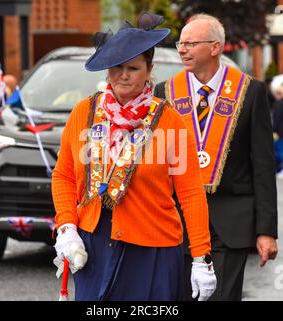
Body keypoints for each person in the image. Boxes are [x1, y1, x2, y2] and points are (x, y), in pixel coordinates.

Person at [51, 12, 217, 301]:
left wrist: (201, 256)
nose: (123, 75)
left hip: (154, 248)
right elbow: (64, 175)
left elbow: (190, 193)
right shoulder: (83, 113)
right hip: (93, 242)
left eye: (133, 68)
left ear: (149, 70)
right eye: (116, 67)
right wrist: (66, 226)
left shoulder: (169, 121)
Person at [154, 13, 278, 301]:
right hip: (179, 221)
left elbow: (262, 164)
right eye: (180, 44)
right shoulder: (166, 93)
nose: (181, 49)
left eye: (190, 43)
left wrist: (266, 231)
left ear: (214, 47)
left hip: (231, 222)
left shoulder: (251, 91)